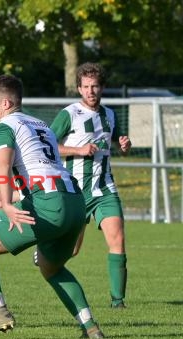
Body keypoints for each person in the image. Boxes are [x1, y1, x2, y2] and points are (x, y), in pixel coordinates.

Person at [0, 74, 104, 339]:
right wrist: (14, 196)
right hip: (74, 203)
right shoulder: (40, 125)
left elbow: (3, 166)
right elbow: (43, 170)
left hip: (49, 206)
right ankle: (90, 326)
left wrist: (6, 204)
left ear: (5, 103)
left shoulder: (3, 127)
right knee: (52, 269)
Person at [40, 62, 131, 309]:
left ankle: (117, 302)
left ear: (102, 88)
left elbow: (116, 143)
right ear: (79, 89)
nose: (91, 91)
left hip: (105, 188)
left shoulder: (110, 115)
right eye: (87, 86)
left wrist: (123, 145)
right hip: (75, 191)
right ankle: (45, 252)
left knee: (118, 239)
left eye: (96, 86)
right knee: (73, 250)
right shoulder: (69, 114)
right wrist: (77, 150)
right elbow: (47, 146)